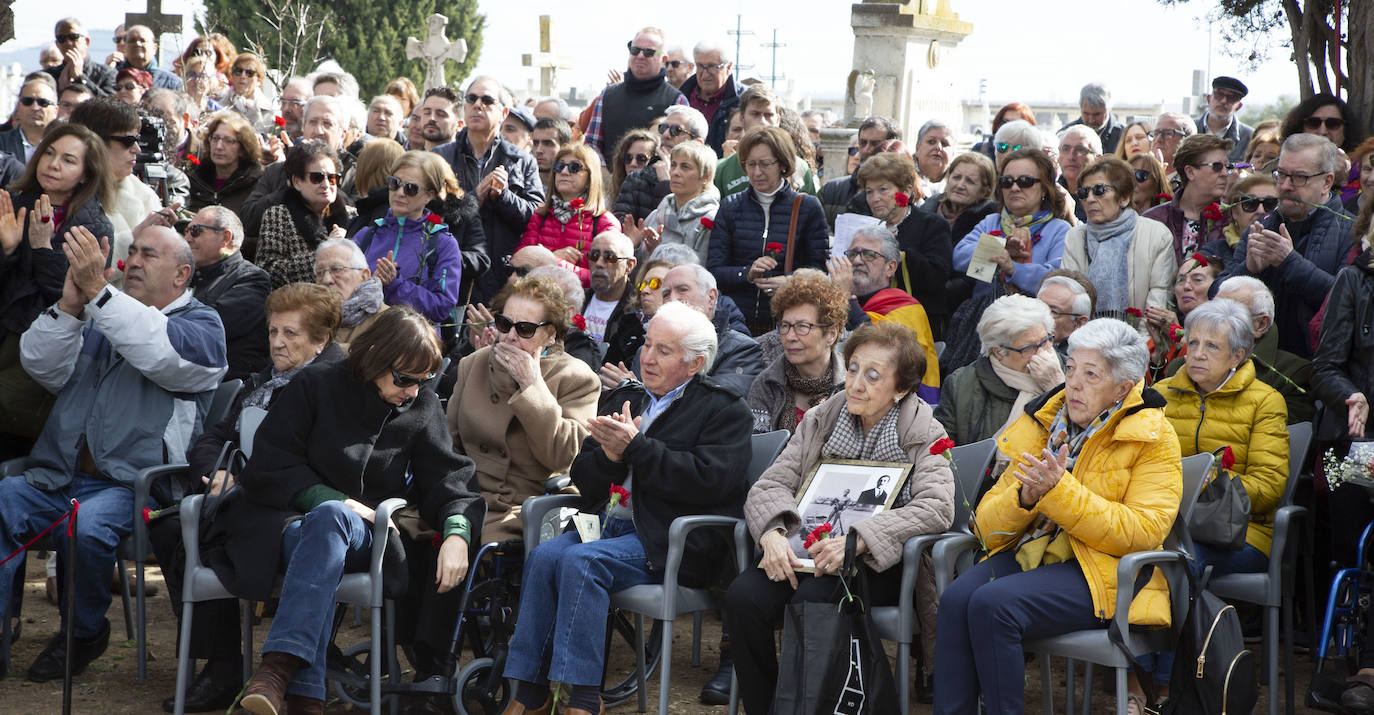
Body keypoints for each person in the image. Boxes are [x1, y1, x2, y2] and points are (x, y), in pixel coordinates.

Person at [213, 306, 481, 715]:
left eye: (424, 379)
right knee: (329, 520)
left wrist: (458, 533)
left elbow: (449, 477)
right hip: (285, 526)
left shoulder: (421, 403)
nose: (412, 389)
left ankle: (276, 669)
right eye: (404, 378)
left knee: (332, 523)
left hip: (365, 536)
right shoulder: (315, 384)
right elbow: (269, 464)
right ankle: (305, 699)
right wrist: (328, 499)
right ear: (374, 356)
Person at [501, 300, 751, 715]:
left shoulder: (723, 409)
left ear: (695, 363)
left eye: (663, 351)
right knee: (546, 556)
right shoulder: (628, 398)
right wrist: (612, 458)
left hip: (671, 540)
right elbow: (583, 473)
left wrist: (636, 448)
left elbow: (710, 481)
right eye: (648, 345)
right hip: (611, 527)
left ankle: (581, 699)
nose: (647, 358)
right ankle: (529, 693)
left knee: (582, 562)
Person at [0, 224, 226, 682]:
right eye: (132, 252)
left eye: (148, 255)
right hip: (56, 475)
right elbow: (42, 366)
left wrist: (100, 296)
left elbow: (161, 353)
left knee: (86, 527)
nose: (134, 262)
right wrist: (70, 306)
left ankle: (82, 633)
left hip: (135, 487)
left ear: (182, 274)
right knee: (2, 499)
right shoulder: (107, 315)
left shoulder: (203, 324)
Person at [934, 318, 1181, 715]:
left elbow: (1142, 531)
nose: (1074, 384)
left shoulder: (1153, 434)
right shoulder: (1046, 420)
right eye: (1070, 369)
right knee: (957, 598)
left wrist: (1058, 493)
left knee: (993, 605)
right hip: (1037, 554)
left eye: (1090, 374)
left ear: (1123, 388)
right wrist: (1025, 496)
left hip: (1108, 572)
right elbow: (984, 526)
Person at [727, 320, 954, 714]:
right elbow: (770, 485)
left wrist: (862, 536)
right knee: (743, 598)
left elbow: (937, 506)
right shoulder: (821, 418)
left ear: (901, 389)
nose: (856, 383)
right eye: (852, 369)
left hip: (879, 565)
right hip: (808, 553)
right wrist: (773, 533)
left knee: (815, 597)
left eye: (873, 375)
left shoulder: (923, 429)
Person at [147, 282, 343, 713]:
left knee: (221, 534)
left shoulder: (333, 384)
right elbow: (213, 436)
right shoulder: (265, 380)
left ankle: (278, 671)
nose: (277, 342)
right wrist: (215, 472)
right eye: (273, 332)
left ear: (321, 340)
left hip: (294, 507)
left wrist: (248, 481)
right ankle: (221, 661)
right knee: (171, 525)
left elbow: (314, 461)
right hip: (243, 497)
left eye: (290, 334)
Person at [1137, 298, 1288, 708]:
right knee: (1133, 551)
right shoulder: (1161, 393)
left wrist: (1210, 483)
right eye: (1193, 343)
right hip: (1164, 522)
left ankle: (1164, 689)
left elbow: (1270, 484)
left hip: (1239, 534)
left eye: (1212, 347)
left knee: (1172, 562)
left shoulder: (1264, 400)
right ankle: (1137, 680)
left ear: (1238, 355)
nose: (1198, 354)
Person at [448, 275, 599, 542]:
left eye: (525, 329)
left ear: (551, 334)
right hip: (467, 495)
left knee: (478, 544)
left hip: (525, 507)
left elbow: (564, 458)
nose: (510, 337)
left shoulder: (576, 378)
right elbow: (449, 445)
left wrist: (532, 386)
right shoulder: (473, 365)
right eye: (504, 324)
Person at [0, 123, 118, 452]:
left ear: (85, 174)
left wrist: (41, 248)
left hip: (39, 341)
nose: (53, 164)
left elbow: (70, 296)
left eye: (68, 160)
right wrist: (8, 249)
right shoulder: (14, 200)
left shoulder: (93, 224)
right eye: (49, 153)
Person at [1222, 133, 1355, 358]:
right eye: (1281, 174)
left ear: (1327, 182)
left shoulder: (1351, 232)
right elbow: (1218, 294)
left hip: (1320, 367)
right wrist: (1249, 271)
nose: (1285, 186)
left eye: (1299, 178)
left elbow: (1348, 303)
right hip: (1255, 362)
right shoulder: (1262, 226)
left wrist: (1289, 262)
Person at [434, 75, 545, 303]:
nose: (477, 105)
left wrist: (505, 196)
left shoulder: (522, 160)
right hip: (453, 269)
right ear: (464, 107)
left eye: (487, 100)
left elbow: (536, 217)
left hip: (502, 273)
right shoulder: (439, 158)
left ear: (503, 113)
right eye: (472, 98)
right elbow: (430, 215)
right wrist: (474, 198)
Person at [707, 126, 828, 334]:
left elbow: (820, 270)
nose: (756, 172)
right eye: (750, 164)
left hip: (786, 324)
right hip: (735, 325)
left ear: (782, 164)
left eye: (765, 164)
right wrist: (747, 273)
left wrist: (791, 282)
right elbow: (715, 270)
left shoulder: (807, 207)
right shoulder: (730, 206)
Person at [1164, 276, 1314, 424]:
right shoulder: (1181, 368)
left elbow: (1282, 438)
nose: (1217, 320)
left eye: (1232, 312)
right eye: (1215, 309)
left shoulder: (1293, 374)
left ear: (1260, 324)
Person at [350, 151, 473, 323]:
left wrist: (395, 285)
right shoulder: (366, 235)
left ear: (429, 195)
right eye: (394, 183)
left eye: (411, 188)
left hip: (412, 344)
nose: (400, 192)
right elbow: (342, 289)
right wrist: (371, 282)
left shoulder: (443, 244)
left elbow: (442, 306)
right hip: (361, 338)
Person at [935, 295, 1063, 453]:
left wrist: (1057, 387)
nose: (1042, 353)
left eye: (1046, 341)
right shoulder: (961, 385)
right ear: (999, 352)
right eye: (1029, 348)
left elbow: (1086, 440)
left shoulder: (1071, 372)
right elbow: (942, 452)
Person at [1061, 156, 1177, 324]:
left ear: (1124, 197)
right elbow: (1069, 302)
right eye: (1084, 193)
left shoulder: (1156, 234)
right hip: (1086, 338)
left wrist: (1134, 346)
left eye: (1099, 190)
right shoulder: (1075, 237)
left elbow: (1158, 305)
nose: (1090, 199)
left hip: (1140, 341)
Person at [952, 148, 1072, 301]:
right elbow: (959, 257)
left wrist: (1013, 269)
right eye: (1007, 182)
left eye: (1025, 181)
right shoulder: (991, 222)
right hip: (985, 315)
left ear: (1044, 188)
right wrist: (999, 248)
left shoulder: (1059, 229)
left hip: (1035, 317)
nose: (1014, 188)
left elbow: (1058, 280)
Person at [841, 228, 943, 404]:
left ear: (891, 267)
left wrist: (846, 299)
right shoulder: (843, 301)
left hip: (901, 405)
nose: (857, 261)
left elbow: (881, 349)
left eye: (868, 255)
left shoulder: (906, 307)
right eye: (852, 254)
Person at [856, 151, 954, 333]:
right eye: (869, 192)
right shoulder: (864, 229)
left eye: (883, 189)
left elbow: (937, 277)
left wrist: (897, 247)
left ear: (907, 190)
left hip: (916, 323)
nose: (875, 198)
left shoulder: (931, 225)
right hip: (869, 319)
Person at [746, 270, 849, 433]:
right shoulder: (766, 385)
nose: (790, 336)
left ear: (831, 334)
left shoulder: (852, 385)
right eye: (785, 326)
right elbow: (758, 448)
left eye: (803, 327)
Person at [182, 205, 271, 381]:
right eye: (186, 231)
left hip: (225, 384)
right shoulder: (186, 275)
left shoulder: (253, 279)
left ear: (225, 237)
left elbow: (209, 328)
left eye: (195, 231)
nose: (187, 238)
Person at [515, 143, 618, 287]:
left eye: (574, 167)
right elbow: (519, 263)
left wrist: (552, 261)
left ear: (590, 178)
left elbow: (605, 275)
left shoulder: (604, 222)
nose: (564, 172)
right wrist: (552, 257)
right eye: (559, 166)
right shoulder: (540, 215)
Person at [583, 26, 687, 166]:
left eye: (649, 52)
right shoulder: (607, 95)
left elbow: (681, 151)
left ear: (663, 59)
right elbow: (591, 144)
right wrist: (604, 172)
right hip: (608, 182)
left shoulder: (677, 101)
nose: (640, 56)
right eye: (635, 50)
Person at [256, 142, 353, 288]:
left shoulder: (351, 216)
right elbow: (268, 271)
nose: (326, 184)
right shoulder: (278, 216)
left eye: (332, 178)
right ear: (297, 181)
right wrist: (324, 251)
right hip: (299, 303)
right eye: (317, 177)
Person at [713, 85, 818, 200]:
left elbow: (810, 213)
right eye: (755, 114)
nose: (762, 121)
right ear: (742, 118)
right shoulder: (721, 169)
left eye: (768, 115)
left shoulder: (799, 167)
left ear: (778, 120)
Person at [1143, 134, 1234, 262]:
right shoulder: (1153, 220)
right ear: (1190, 172)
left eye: (1228, 167)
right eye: (1217, 166)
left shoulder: (1232, 219)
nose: (1225, 173)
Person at [614, 105, 709, 223]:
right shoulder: (637, 179)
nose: (666, 135)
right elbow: (620, 225)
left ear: (697, 142)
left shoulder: (705, 181)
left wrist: (667, 185)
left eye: (676, 130)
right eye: (663, 128)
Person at [634, 141, 720, 263]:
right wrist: (634, 245)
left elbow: (700, 272)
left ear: (706, 176)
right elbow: (637, 273)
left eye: (685, 167)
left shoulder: (711, 219)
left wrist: (658, 251)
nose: (675, 172)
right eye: (673, 165)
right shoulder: (655, 216)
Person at [819, 115, 900, 228]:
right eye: (863, 143)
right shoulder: (830, 191)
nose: (867, 150)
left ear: (891, 147)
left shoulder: (904, 195)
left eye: (875, 144)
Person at [186, 112, 264, 216]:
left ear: (243, 148)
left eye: (228, 141)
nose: (219, 146)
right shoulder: (195, 180)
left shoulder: (256, 185)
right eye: (215, 138)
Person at [312, 238, 386, 347]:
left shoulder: (387, 321)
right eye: (320, 272)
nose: (326, 279)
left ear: (364, 276)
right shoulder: (308, 318)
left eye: (337, 269)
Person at [602, 258, 672, 369]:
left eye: (655, 283)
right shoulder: (627, 326)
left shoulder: (684, 333)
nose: (644, 291)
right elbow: (607, 370)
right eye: (642, 285)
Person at [922, 151, 999, 245]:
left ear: (984, 191)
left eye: (970, 181)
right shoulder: (929, 207)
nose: (960, 185)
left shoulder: (989, 222)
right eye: (956, 177)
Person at [1202, 173, 1279, 266]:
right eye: (1250, 203)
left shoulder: (1290, 248)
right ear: (1235, 212)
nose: (1261, 211)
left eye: (1270, 204)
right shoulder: (1214, 252)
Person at [679, 39, 740, 155]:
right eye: (700, 66)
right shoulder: (681, 99)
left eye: (712, 67)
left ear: (729, 67)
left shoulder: (742, 101)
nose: (705, 74)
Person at [44, 18, 116, 95]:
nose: (68, 43)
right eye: (61, 38)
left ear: (86, 42)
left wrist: (81, 79)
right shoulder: (48, 76)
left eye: (73, 37)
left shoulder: (107, 74)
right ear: (57, 44)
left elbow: (110, 104)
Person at [1281, 92, 1365, 154]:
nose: (1322, 131)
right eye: (1313, 123)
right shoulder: (1281, 168)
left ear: (1346, 130)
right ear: (1300, 128)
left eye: (1333, 124)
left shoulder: (1362, 171)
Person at [0, 75, 58, 163]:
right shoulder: (2, 142)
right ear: (18, 106)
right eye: (27, 101)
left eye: (43, 102)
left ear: (56, 110)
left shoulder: (64, 145)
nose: (35, 107)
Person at [1196, 76, 1253, 163]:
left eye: (1231, 98)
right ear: (1209, 99)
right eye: (1219, 95)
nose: (1223, 101)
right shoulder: (1189, 130)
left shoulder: (1250, 137)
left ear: (1239, 106)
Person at [1037, 272, 1094, 354]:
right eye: (1039, 306)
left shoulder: (1082, 360)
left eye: (1053, 312)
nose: (1041, 316)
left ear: (1079, 323)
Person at [1061, 82, 1124, 154]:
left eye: (1097, 114)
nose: (1091, 120)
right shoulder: (1065, 134)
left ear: (1108, 110)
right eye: (1086, 114)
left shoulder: (1124, 136)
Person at [112, 25, 182, 90]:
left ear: (154, 48)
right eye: (132, 41)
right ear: (125, 47)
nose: (138, 44)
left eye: (143, 40)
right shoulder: (113, 78)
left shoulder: (171, 82)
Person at [1057, 125, 1103, 222]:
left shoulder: (1107, 198)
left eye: (1080, 150)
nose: (1071, 157)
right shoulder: (1049, 194)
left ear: (1098, 159)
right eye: (1065, 149)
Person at [216, 52, 273, 128]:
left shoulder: (266, 109)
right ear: (232, 75)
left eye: (249, 73)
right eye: (239, 71)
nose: (243, 76)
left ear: (259, 80)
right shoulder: (217, 101)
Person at [971, 103, 1036, 160]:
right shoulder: (981, 150)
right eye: (1004, 123)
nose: (1009, 127)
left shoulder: (1036, 153)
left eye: (1015, 123)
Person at [609, 128, 659, 202]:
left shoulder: (662, 199)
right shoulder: (609, 201)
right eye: (628, 158)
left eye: (641, 158)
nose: (633, 164)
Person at [913, 120, 954, 198]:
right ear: (917, 149)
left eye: (944, 143)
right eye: (931, 142)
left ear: (953, 153)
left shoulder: (960, 181)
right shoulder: (902, 176)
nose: (938, 147)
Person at [531, 117, 572, 193]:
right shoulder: (521, 186)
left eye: (547, 144)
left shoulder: (574, 190)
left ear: (565, 147)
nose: (539, 150)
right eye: (535, 143)